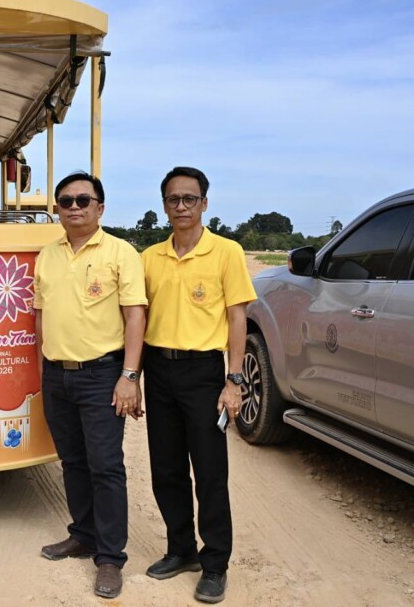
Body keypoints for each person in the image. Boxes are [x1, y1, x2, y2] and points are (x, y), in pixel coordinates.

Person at [141, 166, 256, 604]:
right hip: (159, 370)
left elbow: (237, 319)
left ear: (204, 203)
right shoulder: (150, 257)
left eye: (190, 198)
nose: (182, 206)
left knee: (209, 472)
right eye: (173, 199)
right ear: (164, 205)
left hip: (204, 373)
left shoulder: (226, 252)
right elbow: (139, 318)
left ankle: (215, 564)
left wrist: (234, 380)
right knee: (166, 468)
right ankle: (181, 550)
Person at [34, 171, 147, 600]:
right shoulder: (48, 255)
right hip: (56, 374)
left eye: (84, 200)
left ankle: (110, 557)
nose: (75, 207)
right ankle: (82, 534)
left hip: (102, 374)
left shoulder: (120, 252)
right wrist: (42, 368)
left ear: (100, 207)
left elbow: (135, 316)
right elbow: (40, 315)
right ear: (57, 209)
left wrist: (130, 376)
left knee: (105, 465)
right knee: (73, 462)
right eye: (66, 201)